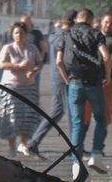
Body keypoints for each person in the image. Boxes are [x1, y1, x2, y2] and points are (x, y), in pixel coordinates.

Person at [62, 8, 111, 178]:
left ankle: (76, 163)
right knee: (100, 118)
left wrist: (67, 80)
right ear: (91, 20)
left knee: (77, 123)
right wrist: (107, 76)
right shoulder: (96, 34)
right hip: (94, 84)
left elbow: (59, 61)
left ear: (77, 19)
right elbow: (106, 56)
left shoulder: (67, 34)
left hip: (74, 83)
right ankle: (96, 154)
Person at [24, 10, 77, 159]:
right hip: (64, 77)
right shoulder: (66, 37)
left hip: (57, 78)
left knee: (56, 112)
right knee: (72, 113)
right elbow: (66, 60)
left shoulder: (55, 35)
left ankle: (34, 142)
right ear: (73, 22)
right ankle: (75, 147)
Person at [0, 21, 43, 157]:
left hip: (28, 87)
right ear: (12, 35)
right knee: (12, 117)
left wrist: (34, 71)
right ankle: (12, 147)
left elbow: (39, 63)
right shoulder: (8, 48)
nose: (19, 35)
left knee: (27, 117)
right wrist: (19, 66)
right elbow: (2, 65)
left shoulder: (32, 48)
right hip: (11, 88)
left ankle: (23, 144)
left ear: (26, 35)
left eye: (21, 33)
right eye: (16, 33)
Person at [84, 10, 112, 128]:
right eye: (106, 22)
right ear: (101, 22)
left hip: (108, 80)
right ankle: (83, 133)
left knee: (106, 111)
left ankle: (100, 135)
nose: (108, 25)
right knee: (86, 110)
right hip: (91, 79)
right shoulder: (92, 37)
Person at [20, 15, 48, 88]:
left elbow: (43, 48)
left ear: (30, 22)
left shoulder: (37, 33)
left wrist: (40, 62)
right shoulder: (21, 34)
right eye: (22, 23)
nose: (24, 24)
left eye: (26, 22)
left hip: (35, 65)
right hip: (23, 66)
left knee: (34, 87)